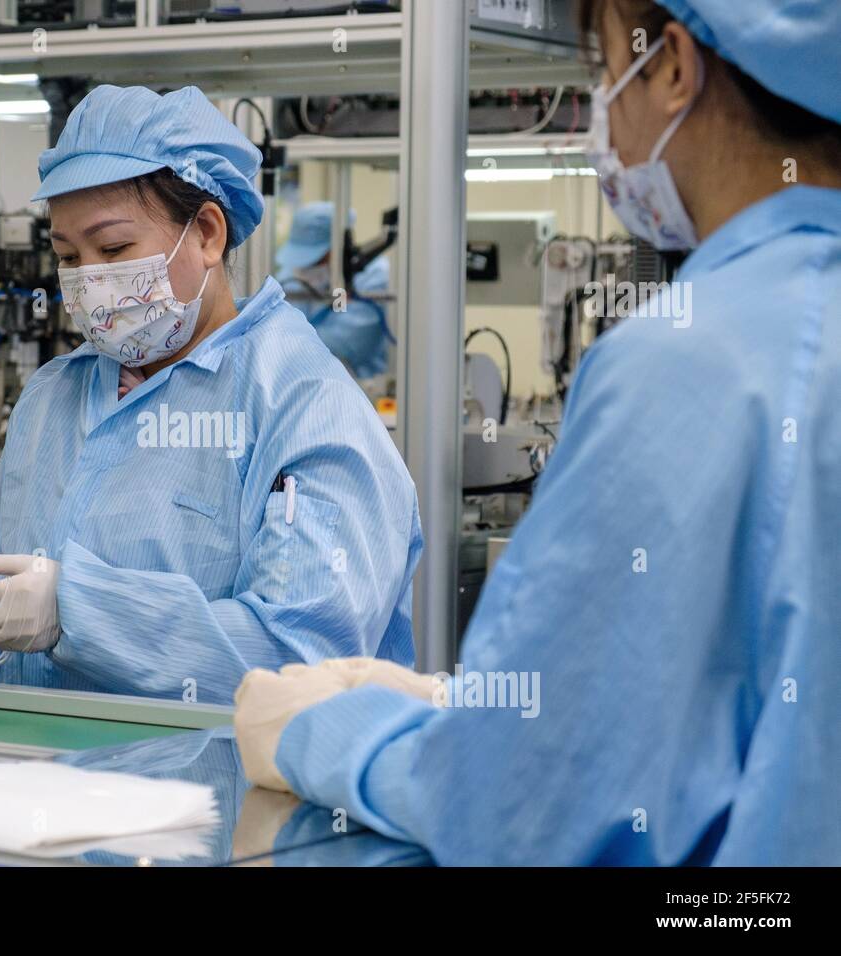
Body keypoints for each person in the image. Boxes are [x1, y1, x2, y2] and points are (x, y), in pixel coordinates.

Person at [235, 0, 841, 864]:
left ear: (671, 65)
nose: (605, 109)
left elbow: (520, 807)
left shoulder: (689, 365)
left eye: (602, 74)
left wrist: (328, 734)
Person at [0, 85, 423, 705]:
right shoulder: (53, 400)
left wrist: (78, 612)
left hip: (212, 799)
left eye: (114, 249)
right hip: (31, 783)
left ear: (206, 233)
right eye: (68, 257)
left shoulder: (304, 407)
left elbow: (307, 664)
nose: (89, 280)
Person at [276, 201, 393, 380]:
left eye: (315, 259)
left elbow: (341, 346)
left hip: (359, 387)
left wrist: (284, 343)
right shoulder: (293, 275)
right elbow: (275, 329)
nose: (305, 267)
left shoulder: (373, 278)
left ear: (339, 248)